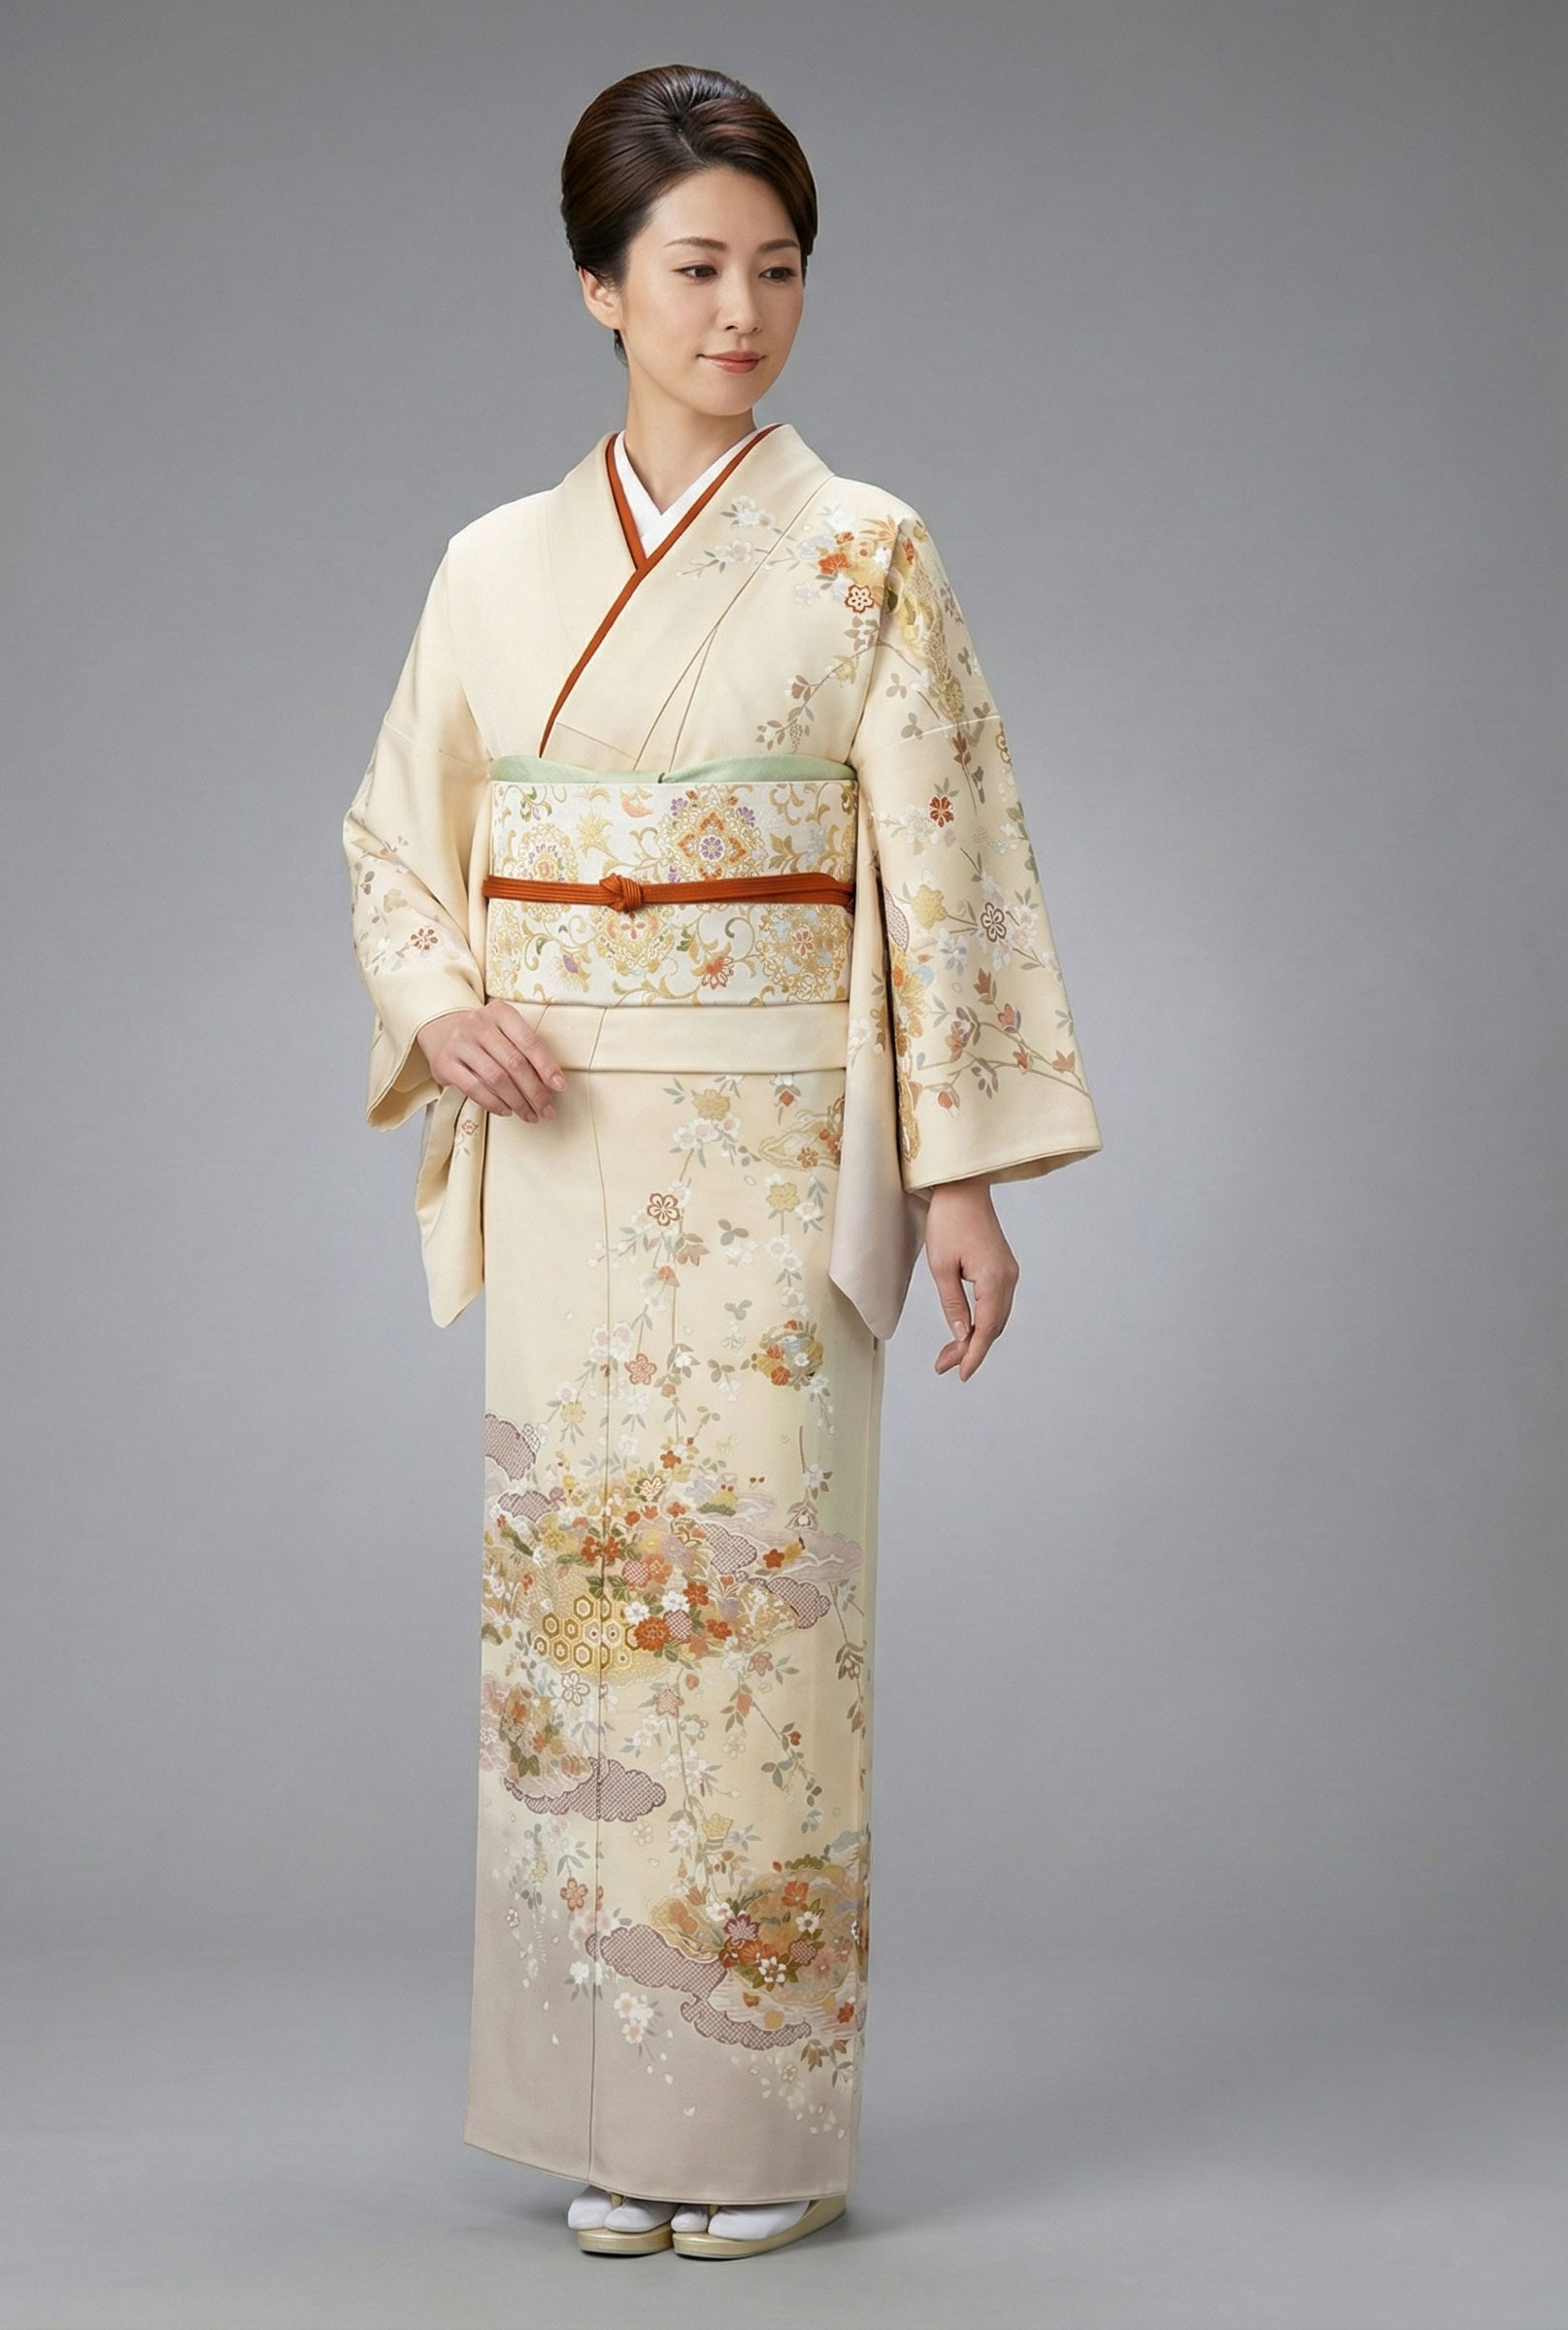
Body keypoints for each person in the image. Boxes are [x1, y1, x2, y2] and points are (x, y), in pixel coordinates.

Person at [343, 63, 1102, 2261]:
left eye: (776, 268)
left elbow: (945, 870)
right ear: (599, 286)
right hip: (566, 1137)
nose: (740, 312)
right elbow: (398, 835)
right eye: (692, 268)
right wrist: (440, 1006)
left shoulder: (866, 549)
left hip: (776, 1146)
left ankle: (754, 2133)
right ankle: (604, 2111)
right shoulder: (491, 565)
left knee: (758, 1616)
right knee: (577, 1614)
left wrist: (955, 1178)